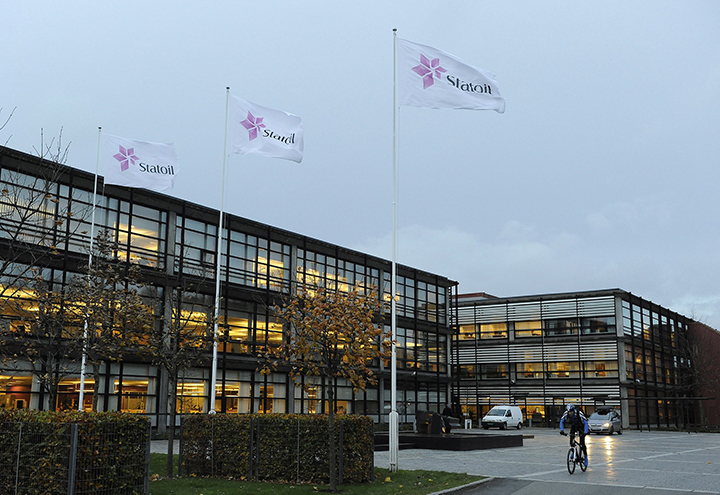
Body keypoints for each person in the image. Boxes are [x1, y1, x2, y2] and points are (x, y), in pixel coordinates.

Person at [559, 403, 589, 467]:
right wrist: (562, 430)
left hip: (581, 426)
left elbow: (586, 422)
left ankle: (585, 457)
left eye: (571, 412)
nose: (570, 413)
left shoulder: (578, 413)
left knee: (582, 443)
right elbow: (562, 421)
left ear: (573, 410)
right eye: (569, 412)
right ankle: (573, 451)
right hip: (574, 426)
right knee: (571, 441)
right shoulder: (566, 413)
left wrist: (585, 432)